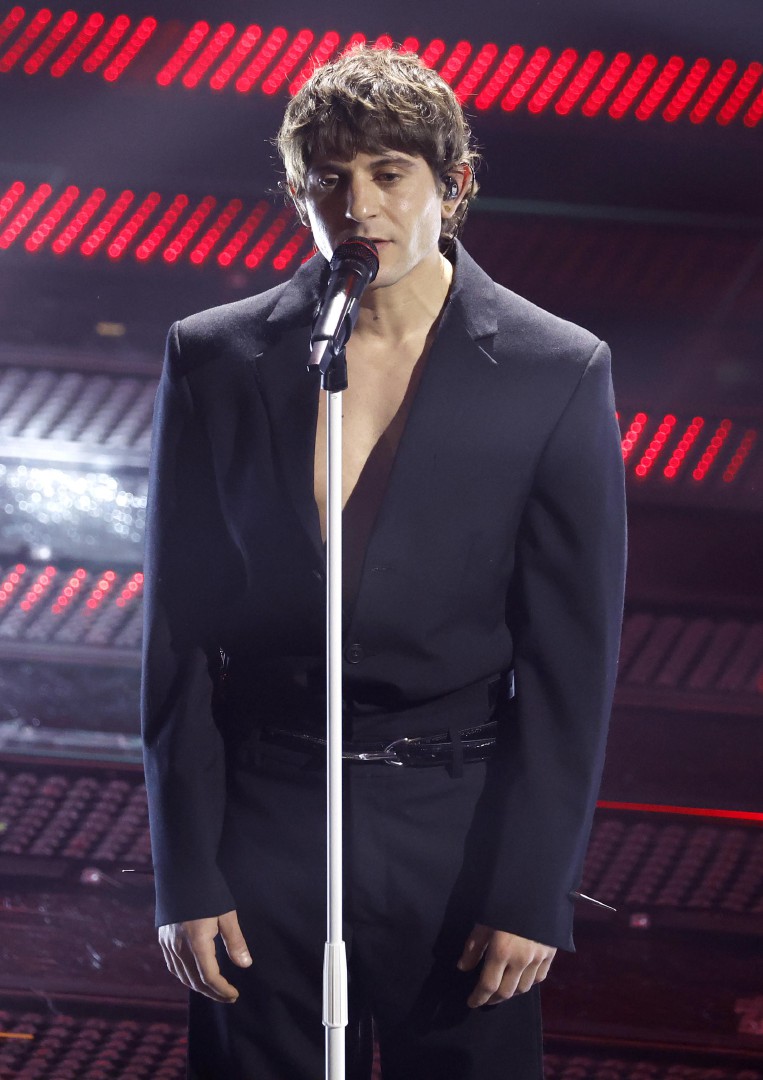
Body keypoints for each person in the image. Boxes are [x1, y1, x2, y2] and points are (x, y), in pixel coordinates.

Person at [141, 45, 626, 1080]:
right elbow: (177, 631)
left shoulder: (554, 369)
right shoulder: (217, 356)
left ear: (453, 185)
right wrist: (185, 871)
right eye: (329, 176)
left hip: (453, 824)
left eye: (387, 173)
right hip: (264, 817)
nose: (356, 204)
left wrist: (530, 889)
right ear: (294, 189)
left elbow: (568, 664)